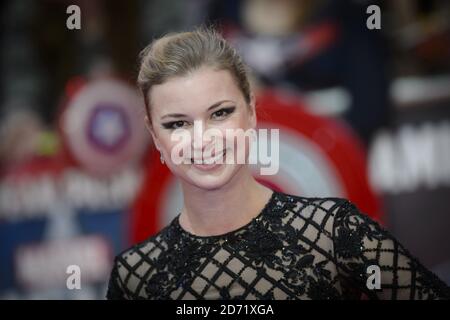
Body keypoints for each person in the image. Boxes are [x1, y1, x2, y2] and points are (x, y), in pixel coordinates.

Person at [106, 27, 450, 300]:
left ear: (252, 113)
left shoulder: (334, 231)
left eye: (220, 113)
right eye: (177, 123)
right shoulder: (135, 275)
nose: (202, 139)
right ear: (154, 135)